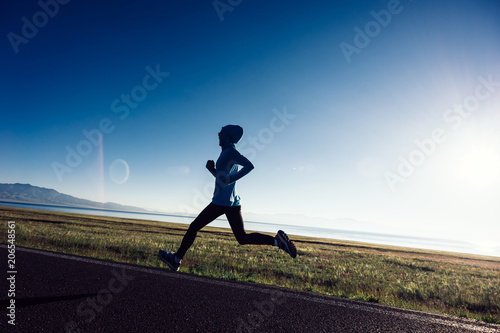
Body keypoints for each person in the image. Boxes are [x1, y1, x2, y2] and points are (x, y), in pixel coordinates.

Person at [159, 124, 297, 271]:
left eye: (220, 132)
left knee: (194, 227)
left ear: (226, 135)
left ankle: (175, 259)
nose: (218, 134)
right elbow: (222, 178)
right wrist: (212, 170)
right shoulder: (226, 152)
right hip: (233, 203)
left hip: (221, 202)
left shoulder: (230, 151)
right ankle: (278, 242)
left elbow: (249, 166)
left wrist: (230, 179)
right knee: (242, 238)